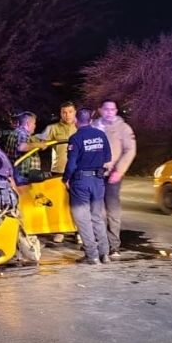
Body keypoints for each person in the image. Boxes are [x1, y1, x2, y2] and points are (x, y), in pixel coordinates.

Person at [63, 109, 112, 264]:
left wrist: (65, 179)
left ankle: (92, 256)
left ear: (76, 121)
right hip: (98, 181)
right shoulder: (101, 135)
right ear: (91, 120)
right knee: (97, 218)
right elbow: (107, 158)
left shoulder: (75, 138)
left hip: (81, 182)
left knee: (82, 219)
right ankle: (105, 254)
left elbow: (71, 164)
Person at [93, 99, 137, 258]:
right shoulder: (93, 127)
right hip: (94, 175)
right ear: (100, 110)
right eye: (106, 109)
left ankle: (113, 246)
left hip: (113, 176)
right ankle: (97, 244)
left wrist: (119, 170)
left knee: (112, 211)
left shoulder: (123, 128)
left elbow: (130, 150)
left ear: (116, 111)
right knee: (95, 211)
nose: (109, 112)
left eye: (112, 109)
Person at [2, 111, 50, 183]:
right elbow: (22, 147)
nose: (35, 126)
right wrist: (39, 145)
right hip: (22, 176)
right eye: (34, 123)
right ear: (28, 123)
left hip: (16, 175)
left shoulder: (16, 132)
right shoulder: (22, 133)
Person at [39, 101, 78, 175]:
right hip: (58, 171)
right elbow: (40, 145)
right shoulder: (52, 128)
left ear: (75, 112)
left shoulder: (80, 128)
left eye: (70, 112)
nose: (67, 115)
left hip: (77, 171)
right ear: (60, 113)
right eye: (64, 112)